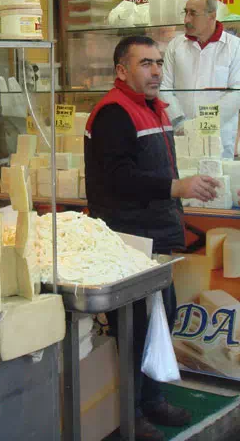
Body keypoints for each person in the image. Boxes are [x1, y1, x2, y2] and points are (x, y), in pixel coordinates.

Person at [84, 35, 220, 441]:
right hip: (129, 239)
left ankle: (152, 399)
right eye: (146, 63)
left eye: (159, 62)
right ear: (121, 71)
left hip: (154, 236)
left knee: (161, 319)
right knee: (136, 327)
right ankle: (131, 413)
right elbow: (118, 178)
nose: (157, 70)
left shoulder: (151, 108)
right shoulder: (113, 113)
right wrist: (178, 188)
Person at [161, 0, 240, 159]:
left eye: (193, 14)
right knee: (183, 178)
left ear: (212, 16)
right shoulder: (176, 45)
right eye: (186, 12)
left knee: (216, 182)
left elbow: (236, 93)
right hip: (181, 136)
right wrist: (179, 122)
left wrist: (202, 126)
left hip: (218, 138)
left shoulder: (234, 47)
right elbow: (164, 87)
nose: (186, 19)